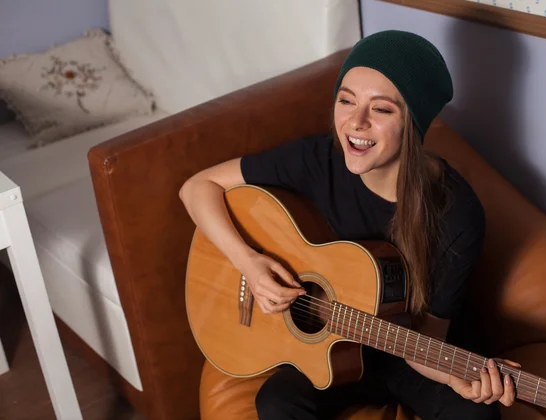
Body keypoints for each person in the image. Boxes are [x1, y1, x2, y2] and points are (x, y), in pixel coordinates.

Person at [180, 30, 518, 420]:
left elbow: (429, 339)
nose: (355, 123)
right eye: (346, 100)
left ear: (413, 123)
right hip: (328, 350)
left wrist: (455, 376)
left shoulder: (457, 214)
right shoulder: (316, 160)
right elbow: (196, 188)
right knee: (275, 402)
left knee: (476, 415)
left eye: (381, 109)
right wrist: (249, 263)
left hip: (407, 352)